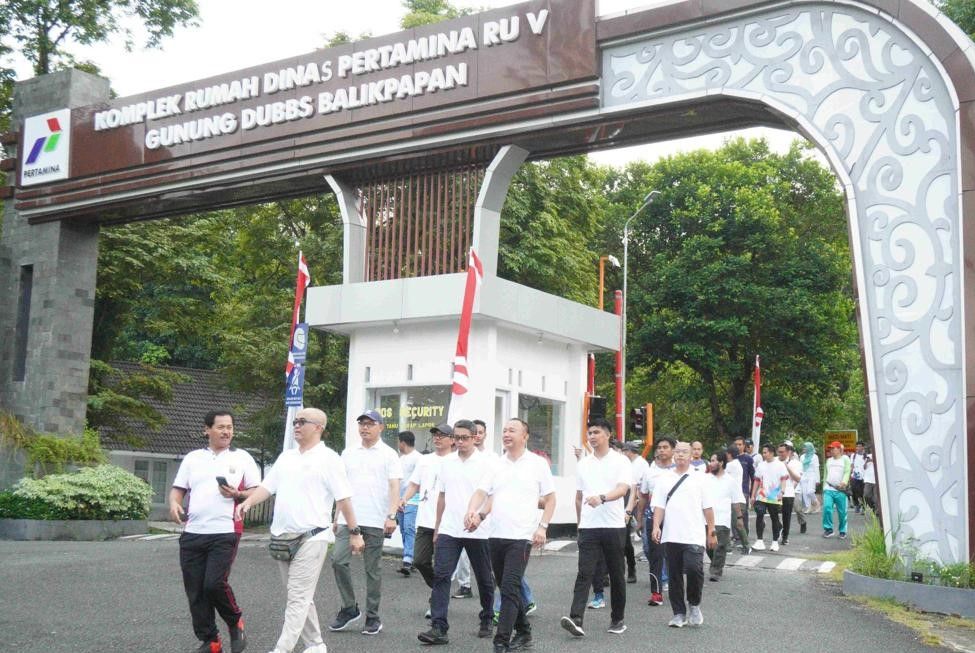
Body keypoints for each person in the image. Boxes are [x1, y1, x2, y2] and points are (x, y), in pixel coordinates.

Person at [236, 407, 365, 653]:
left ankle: (281, 649)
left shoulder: (329, 459)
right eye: (295, 421)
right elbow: (267, 487)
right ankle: (315, 644)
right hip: (282, 538)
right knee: (299, 596)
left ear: (318, 427)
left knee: (297, 597)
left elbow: (344, 499)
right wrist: (248, 502)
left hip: (312, 537)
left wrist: (355, 532)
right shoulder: (287, 458)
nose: (296, 425)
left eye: (302, 421)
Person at [169, 410, 261, 653]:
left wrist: (238, 494)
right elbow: (178, 489)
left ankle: (235, 621)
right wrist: (174, 504)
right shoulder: (192, 458)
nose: (226, 431)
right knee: (195, 590)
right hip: (193, 532)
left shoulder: (242, 458)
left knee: (214, 584)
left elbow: (257, 491)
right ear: (207, 430)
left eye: (229, 427)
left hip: (225, 530)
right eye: (220, 427)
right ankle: (211, 640)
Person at [465, 418, 556, 653]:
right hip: (496, 535)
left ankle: (501, 641)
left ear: (524, 436)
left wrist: (542, 527)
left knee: (508, 587)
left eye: (512, 430)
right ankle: (524, 632)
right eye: (504, 430)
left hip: (522, 536)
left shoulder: (537, 464)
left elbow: (551, 499)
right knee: (509, 589)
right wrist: (473, 512)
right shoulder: (496, 464)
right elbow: (481, 492)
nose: (506, 434)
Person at [419, 420, 496, 644]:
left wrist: (479, 516)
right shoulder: (447, 463)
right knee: (442, 576)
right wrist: (437, 526)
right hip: (449, 529)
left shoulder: (486, 464)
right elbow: (442, 497)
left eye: (464, 437)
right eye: (456, 437)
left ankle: (487, 617)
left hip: (478, 531)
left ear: (475, 438)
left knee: (484, 578)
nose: (459, 442)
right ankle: (438, 626)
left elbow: (491, 495)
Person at [329, 410, 403, 636]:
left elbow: (394, 487)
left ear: (381, 427)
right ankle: (350, 608)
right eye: (361, 423)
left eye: (370, 424)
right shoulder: (348, 453)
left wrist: (391, 515)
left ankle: (373, 616)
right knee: (338, 561)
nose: (365, 428)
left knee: (373, 570)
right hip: (348, 519)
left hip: (375, 519)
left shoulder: (389, 454)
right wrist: (336, 516)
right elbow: (341, 487)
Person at [560, 418, 632, 637]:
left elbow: (622, 489)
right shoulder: (583, 464)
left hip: (613, 525)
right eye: (589, 433)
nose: (591, 436)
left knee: (617, 573)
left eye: (596, 432)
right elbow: (579, 497)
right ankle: (576, 619)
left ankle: (617, 619)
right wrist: (580, 523)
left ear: (608, 435)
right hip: (589, 527)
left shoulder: (621, 461)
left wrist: (602, 498)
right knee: (585, 573)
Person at [651, 442, 716, 628]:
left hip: (694, 534)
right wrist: (656, 526)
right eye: (678, 452)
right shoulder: (664, 479)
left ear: (691, 456)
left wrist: (711, 531)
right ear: (673, 455)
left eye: (684, 452)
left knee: (694, 569)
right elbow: (659, 506)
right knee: (674, 575)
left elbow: (708, 507)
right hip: (672, 534)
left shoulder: (700, 478)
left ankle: (694, 604)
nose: (680, 455)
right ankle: (678, 613)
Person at [401, 423, 457, 607]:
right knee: (420, 560)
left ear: (452, 440)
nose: (437, 438)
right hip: (425, 520)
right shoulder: (425, 460)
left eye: (442, 435)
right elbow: (414, 484)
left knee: (442, 567)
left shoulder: (456, 461)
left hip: (448, 522)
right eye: (435, 435)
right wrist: (404, 499)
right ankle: (439, 591)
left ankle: (437, 602)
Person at [637, 436, 676, 606]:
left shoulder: (680, 471)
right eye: (659, 447)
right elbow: (643, 496)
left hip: (676, 518)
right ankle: (656, 592)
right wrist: (639, 519)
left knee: (675, 553)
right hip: (653, 517)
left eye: (665, 447)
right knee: (654, 554)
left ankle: (675, 586)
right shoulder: (649, 472)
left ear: (673, 450)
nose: (661, 450)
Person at [705, 453, 745, 581]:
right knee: (709, 547)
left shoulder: (730, 481)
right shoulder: (705, 479)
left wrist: (739, 518)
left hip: (723, 519)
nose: (710, 464)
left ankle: (716, 571)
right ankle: (715, 563)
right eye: (710, 461)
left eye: (713, 461)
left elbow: (735, 501)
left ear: (721, 463)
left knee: (720, 546)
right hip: (706, 519)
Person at [751, 443, 788, 552]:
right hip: (762, 494)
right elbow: (756, 480)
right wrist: (753, 495)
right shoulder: (761, 465)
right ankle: (759, 540)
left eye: (765, 452)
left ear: (771, 453)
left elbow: (783, 479)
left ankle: (775, 542)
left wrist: (782, 491)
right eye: (763, 452)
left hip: (774, 494)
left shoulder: (780, 465)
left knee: (774, 518)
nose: (763, 454)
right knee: (759, 513)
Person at [398, 431, 423, 576]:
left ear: (402, 442)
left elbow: (419, 481)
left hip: (413, 500)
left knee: (409, 528)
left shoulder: (418, 458)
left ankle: (407, 559)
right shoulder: (400, 459)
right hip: (400, 499)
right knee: (403, 529)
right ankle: (410, 558)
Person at [723, 444, 750, 553]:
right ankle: (728, 546)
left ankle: (747, 546)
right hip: (736, 498)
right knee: (732, 523)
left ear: (729, 454)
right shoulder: (736, 463)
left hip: (736, 500)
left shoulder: (731, 465)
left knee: (737, 524)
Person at [822, 441, 852, 538]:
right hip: (829, 488)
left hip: (840, 490)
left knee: (842, 512)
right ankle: (828, 529)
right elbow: (825, 474)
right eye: (830, 448)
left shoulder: (845, 459)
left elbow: (847, 471)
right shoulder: (829, 460)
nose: (831, 450)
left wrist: (844, 482)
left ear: (839, 449)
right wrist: (824, 487)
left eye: (833, 448)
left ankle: (843, 530)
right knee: (827, 508)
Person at [777, 442, 804, 542]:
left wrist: (787, 467)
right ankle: (779, 528)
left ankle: (785, 537)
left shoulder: (796, 463)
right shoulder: (775, 461)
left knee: (786, 516)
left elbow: (797, 479)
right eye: (779, 452)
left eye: (783, 452)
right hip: (775, 493)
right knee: (773, 514)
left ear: (788, 452)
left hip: (788, 492)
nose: (780, 454)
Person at [731, 436, 755, 537]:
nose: (738, 446)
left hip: (744, 490)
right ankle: (735, 536)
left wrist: (753, 493)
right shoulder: (730, 458)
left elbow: (753, 477)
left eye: (740, 444)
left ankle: (744, 536)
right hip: (731, 491)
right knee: (733, 514)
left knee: (743, 515)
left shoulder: (748, 459)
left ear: (744, 446)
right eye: (736, 444)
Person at [798, 441, 821, 514]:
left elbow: (816, 468)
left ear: (809, 448)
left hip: (812, 475)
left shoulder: (815, 456)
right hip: (804, 475)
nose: (803, 448)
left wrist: (818, 479)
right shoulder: (802, 457)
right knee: (804, 493)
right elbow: (800, 467)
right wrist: (799, 476)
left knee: (810, 491)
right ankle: (808, 507)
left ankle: (817, 503)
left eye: (805, 447)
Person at [850, 441, 867, 514]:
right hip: (854, 476)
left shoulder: (866, 456)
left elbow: (866, 467)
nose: (858, 448)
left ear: (863, 447)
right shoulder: (853, 455)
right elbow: (851, 465)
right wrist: (850, 474)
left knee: (862, 492)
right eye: (857, 446)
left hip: (863, 477)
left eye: (860, 446)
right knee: (854, 491)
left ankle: (863, 507)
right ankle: (856, 504)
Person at [863, 447, 877, 512]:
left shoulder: (878, 455)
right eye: (871, 448)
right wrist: (866, 462)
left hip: (876, 480)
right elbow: (864, 467)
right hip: (868, 479)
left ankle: (876, 510)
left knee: (876, 498)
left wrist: (873, 460)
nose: (872, 449)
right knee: (866, 495)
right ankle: (872, 507)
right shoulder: (867, 456)